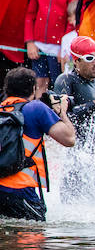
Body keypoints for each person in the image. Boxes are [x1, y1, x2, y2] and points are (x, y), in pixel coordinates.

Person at [0, 67, 76, 221]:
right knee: (34, 242)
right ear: (34, 89)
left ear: (7, 89)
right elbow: (69, 139)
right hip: (21, 191)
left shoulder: (2, 109)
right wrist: (62, 112)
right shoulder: (36, 108)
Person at [24, 0, 79, 98]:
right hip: (39, 46)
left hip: (58, 49)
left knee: (58, 82)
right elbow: (30, 15)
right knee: (40, 81)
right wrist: (30, 42)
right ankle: (37, 112)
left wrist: (65, 48)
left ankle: (57, 116)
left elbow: (72, 20)